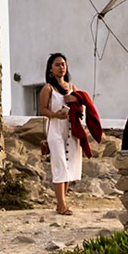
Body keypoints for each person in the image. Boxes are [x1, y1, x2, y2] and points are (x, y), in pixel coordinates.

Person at [38, 53, 82, 214]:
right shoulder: (48, 88)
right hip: (55, 129)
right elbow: (42, 109)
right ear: (51, 69)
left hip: (71, 130)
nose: (61, 67)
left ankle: (62, 202)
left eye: (63, 64)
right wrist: (56, 115)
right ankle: (61, 204)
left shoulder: (72, 88)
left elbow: (81, 109)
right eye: (57, 64)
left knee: (70, 165)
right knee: (60, 164)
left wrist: (75, 102)